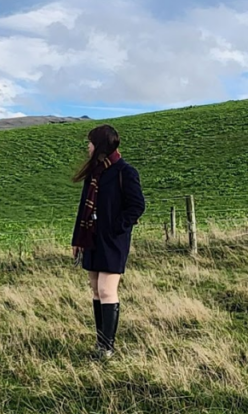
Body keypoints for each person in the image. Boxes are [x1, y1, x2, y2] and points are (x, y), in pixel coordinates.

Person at [70, 124, 146, 358]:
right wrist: (77, 239)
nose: (88, 147)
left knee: (106, 289)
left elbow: (137, 206)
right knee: (96, 289)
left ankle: (107, 348)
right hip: (91, 238)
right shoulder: (94, 173)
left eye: (91, 142)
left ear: (100, 145)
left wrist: (115, 228)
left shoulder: (125, 172)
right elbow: (83, 208)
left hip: (113, 241)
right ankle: (100, 344)